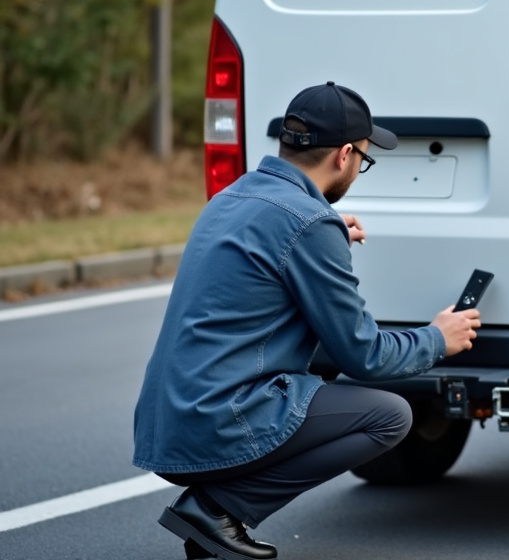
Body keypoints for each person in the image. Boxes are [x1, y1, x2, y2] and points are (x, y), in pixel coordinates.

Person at [132, 81, 482, 560]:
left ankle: (212, 523)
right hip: (217, 421)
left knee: (324, 370)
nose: (359, 169)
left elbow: (271, 259)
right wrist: (438, 338)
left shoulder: (233, 198)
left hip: (168, 419)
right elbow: (366, 356)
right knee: (389, 416)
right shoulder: (309, 224)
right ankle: (216, 508)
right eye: (364, 159)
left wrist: (324, 233)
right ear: (343, 156)